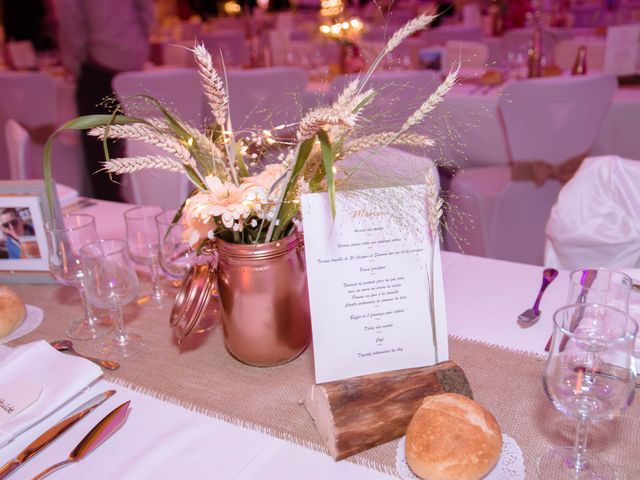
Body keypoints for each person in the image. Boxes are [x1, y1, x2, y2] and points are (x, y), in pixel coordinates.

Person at [55, 0, 154, 202]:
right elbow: (147, 12)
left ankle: (111, 210)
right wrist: (139, 44)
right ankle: (143, 205)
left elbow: (71, 22)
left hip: (99, 66)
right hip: (133, 61)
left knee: (104, 157)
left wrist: (75, 61)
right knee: (138, 143)